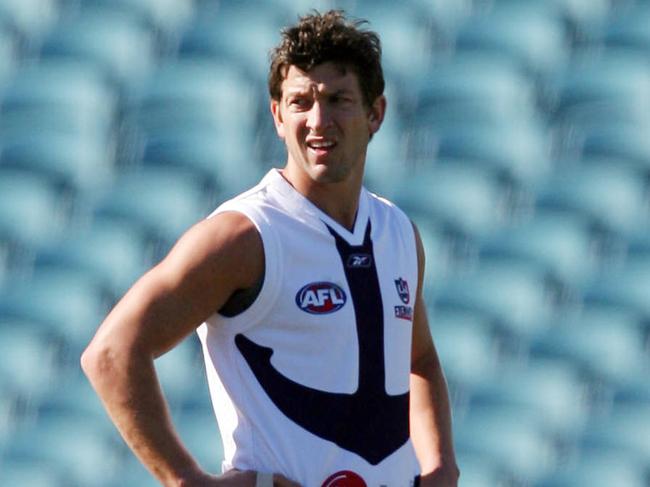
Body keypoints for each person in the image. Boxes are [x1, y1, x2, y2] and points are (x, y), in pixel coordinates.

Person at [81, 10, 459, 487]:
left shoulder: (398, 232)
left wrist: (443, 466)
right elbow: (111, 353)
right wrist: (186, 480)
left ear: (375, 113)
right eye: (300, 102)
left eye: (338, 100)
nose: (318, 121)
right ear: (277, 115)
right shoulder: (244, 236)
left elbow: (419, 361)